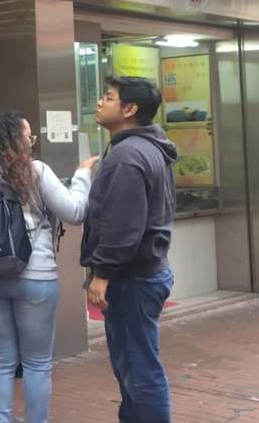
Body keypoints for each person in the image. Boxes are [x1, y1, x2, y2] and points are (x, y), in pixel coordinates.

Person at [0, 111, 97, 423]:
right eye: (28, 136)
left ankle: (1, 419)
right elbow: (75, 212)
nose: (31, 142)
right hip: (36, 275)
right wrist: (82, 175)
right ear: (16, 141)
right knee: (36, 363)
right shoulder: (35, 171)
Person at [83, 77, 177, 423]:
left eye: (108, 97)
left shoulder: (127, 155)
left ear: (130, 109)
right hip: (143, 272)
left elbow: (123, 225)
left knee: (139, 371)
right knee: (134, 368)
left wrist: (103, 272)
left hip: (132, 278)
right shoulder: (147, 148)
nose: (100, 102)